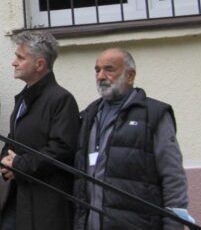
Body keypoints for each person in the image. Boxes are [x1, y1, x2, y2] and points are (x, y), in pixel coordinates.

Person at [74, 48, 192, 230]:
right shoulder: (89, 115)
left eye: (109, 69)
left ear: (130, 75)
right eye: (97, 70)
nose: (100, 76)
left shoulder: (153, 115)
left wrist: (174, 225)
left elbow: (172, 176)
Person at [0, 30, 79, 230]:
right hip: (20, 195)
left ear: (39, 64)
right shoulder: (24, 97)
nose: (14, 62)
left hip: (46, 200)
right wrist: (6, 160)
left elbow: (61, 149)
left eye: (20, 58)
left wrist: (19, 164)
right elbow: (14, 138)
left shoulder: (60, 99)